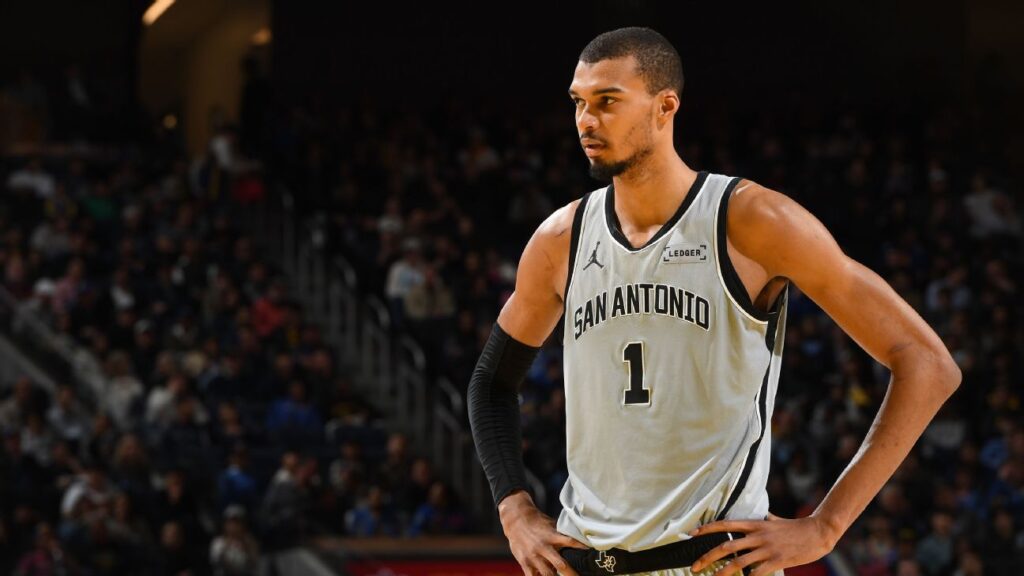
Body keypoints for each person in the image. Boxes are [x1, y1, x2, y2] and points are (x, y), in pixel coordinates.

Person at [467, 27, 960, 576]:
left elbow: (926, 362)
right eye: (579, 103)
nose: (586, 120)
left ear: (665, 107)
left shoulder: (752, 221)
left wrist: (826, 526)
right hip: (587, 562)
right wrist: (515, 510)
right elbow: (492, 383)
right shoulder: (562, 239)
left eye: (607, 101)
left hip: (714, 562)